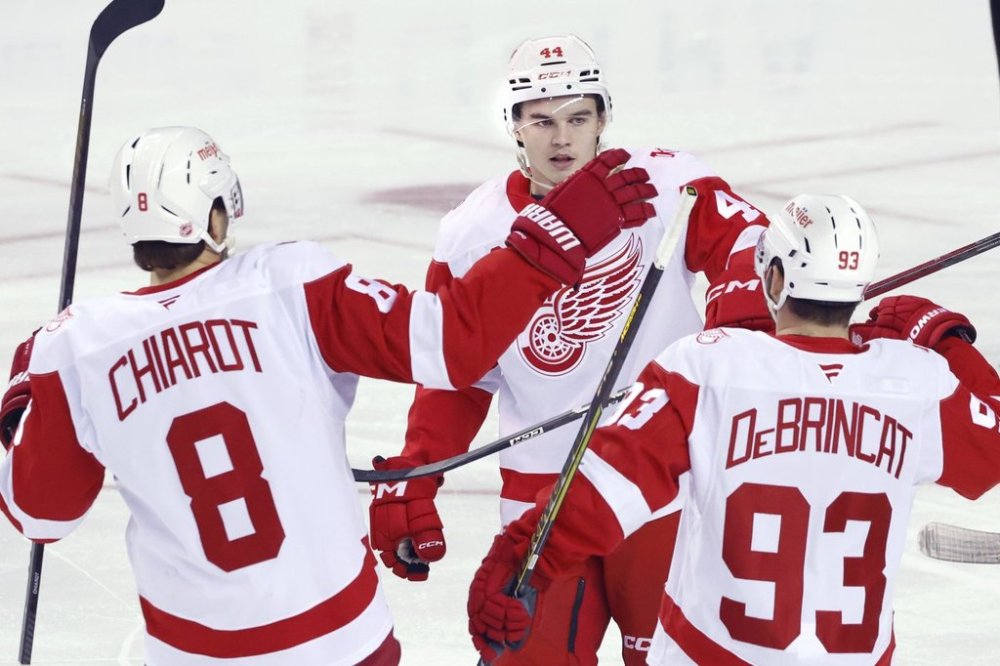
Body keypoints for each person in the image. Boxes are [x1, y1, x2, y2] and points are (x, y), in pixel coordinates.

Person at [0, 127, 657, 665]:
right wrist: (548, 241)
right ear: (216, 214)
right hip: (339, 640)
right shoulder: (292, 286)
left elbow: (42, 515)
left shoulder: (75, 350)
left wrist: (20, 409)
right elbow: (455, 343)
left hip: (193, 652)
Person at [367, 34, 772, 664]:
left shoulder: (665, 183)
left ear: (604, 118)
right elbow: (458, 370)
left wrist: (743, 302)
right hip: (542, 499)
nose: (562, 139)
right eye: (542, 121)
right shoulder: (473, 232)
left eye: (578, 119)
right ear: (514, 125)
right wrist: (419, 471)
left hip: (664, 487)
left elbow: (750, 240)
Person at [466, 193, 1000, 665]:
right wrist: (943, 338)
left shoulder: (706, 369)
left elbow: (598, 498)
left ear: (776, 279)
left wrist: (514, 561)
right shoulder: (915, 381)